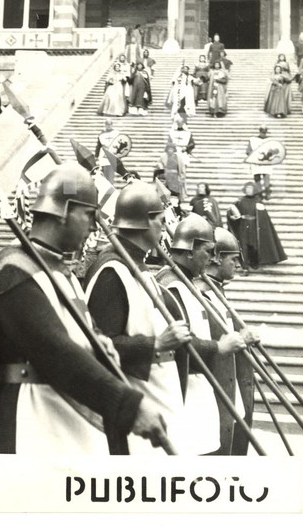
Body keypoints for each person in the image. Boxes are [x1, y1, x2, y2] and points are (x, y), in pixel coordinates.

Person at [0, 162, 168, 455]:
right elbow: (56, 352)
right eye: (89, 215)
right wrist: (129, 406)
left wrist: (100, 341)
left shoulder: (62, 271)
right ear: (64, 211)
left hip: (67, 418)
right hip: (33, 419)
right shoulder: (15, 270)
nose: (94, 227)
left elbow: (83, 335)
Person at [85, 181, 193, 454]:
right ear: (144, 222)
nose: (165, 226)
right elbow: (98, 347)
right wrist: (155, 344)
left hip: (161, 401)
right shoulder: (111, 270)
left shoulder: (139, 267)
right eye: (159, 218)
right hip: (138, 413)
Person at [156, 215, 248, 455]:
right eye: (207, 252)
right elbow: (182, 342)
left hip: (200, 389)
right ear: (189, 251)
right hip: (186, 391)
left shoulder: (187, 283)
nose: (209, 260)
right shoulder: (171, 285)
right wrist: (218, 347)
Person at [201, 228, 258, 455]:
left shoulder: (216, 290)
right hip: (215, 392)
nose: (238, 265)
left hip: (231, 388)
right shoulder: (201, 291)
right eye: (233, 259)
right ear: (216, 257)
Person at [227, 182, 287, 271]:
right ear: (244, 189)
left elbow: (263, 217)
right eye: (247, 188)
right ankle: (245, 266)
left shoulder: (258, 201)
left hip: (254, 226)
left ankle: (254, 262)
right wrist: (232, 216)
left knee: (254, 246)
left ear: (254, 190)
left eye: (251, 188)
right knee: (243, 245)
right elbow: (231, 212)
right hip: (243, 226)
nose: (249, 190)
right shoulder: (239, 201)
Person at [95, 119, 131, 183]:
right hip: (104, 154)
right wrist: (96, 156)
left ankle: (111, 185)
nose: (108, 126)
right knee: (104, 171)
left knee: (111, 171)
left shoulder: (116, 133)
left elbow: (119, 143)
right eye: (107, 125)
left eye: (109, 124)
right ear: (105, 125)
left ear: (112, 125)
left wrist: (120, 155)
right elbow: (98, 145)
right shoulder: (102, 134)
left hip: (113, 153)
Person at [246, 125, 274, 200]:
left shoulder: (270, 140)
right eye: (262, 132)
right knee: (257, 178)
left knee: (266, 178)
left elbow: (273, 151)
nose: (263, 134)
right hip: (256, 162)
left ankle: (267, 193)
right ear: (260, 132)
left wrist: (268, 155)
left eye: (264, 132)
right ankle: (259, 194)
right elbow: (248, 151)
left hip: (266, 161)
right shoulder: (253, 140)